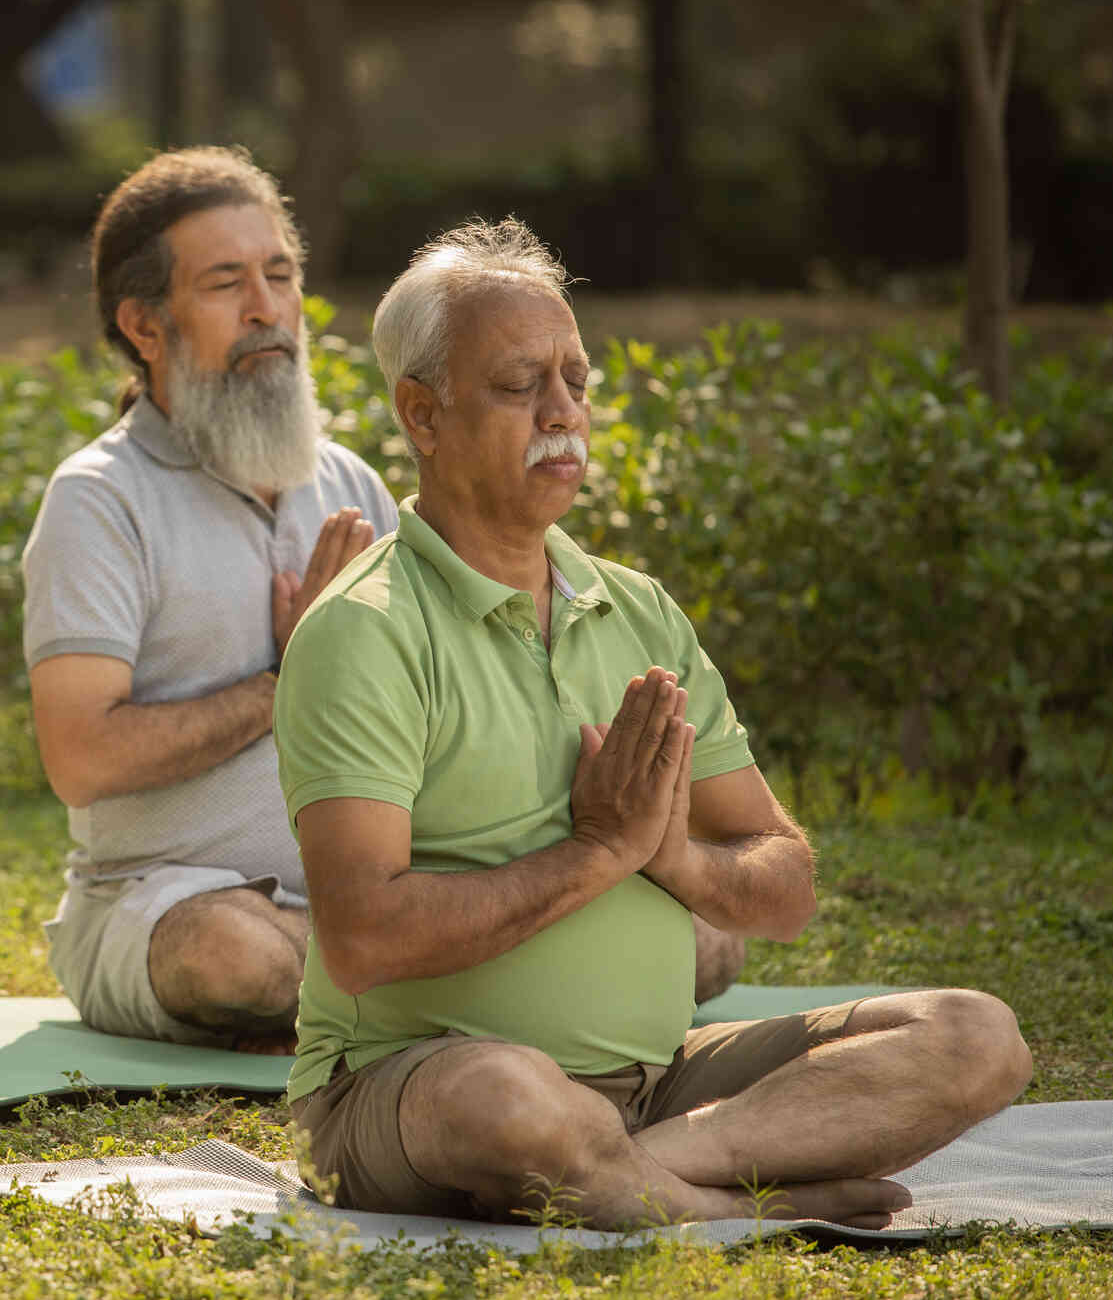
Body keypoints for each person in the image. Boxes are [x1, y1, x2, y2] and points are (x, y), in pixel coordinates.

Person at [274, 217, 1033, 1229]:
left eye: (576, 383)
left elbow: (785, 883)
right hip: (410, 1088)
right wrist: (596, 854)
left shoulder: (636, 610)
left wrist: (672, 859)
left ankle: (651, 1173)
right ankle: (763, 1203)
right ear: (423, 414)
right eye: (519, 387)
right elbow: (362, 935)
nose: (563, 415)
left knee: (977, 1035)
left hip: (657, 1078)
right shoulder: (364, 629)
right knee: (507, 1099)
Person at [20, 147, 395, 1051]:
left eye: (280, 274)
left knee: (697, 942)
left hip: (366, 895)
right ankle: (426, 988)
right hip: (164, 902)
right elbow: (81, 757)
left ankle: (396, 976)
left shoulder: (345, 481)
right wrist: (287, 677)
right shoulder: (99, 498)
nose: (267, 309)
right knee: (235, 959)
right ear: (146, 327)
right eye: (227, 283)